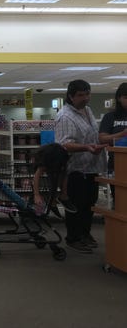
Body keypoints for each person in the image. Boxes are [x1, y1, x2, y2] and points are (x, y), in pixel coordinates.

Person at [55, 79, 107, 254]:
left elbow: (93, 134)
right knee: (77, 206)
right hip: (76, 170)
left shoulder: (88, 110)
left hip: (92, 167)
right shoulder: (65, 116)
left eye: (88, 94)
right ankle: (73, 237)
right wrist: (86, 147)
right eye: (81, 95)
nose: (85, 98)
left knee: (88, 205)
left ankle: (85, 234)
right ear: (71, 96)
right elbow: (64, 145)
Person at [99, 82, 127, 204]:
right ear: (119, 98)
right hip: (116, 164)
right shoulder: (110, 117)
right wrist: (122, 134)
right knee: (120, 199)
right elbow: (102, 139)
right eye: (126, 97)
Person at [32, 143, 77, 216]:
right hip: (48, 162)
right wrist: (36, 195)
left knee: (64, 174)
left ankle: (62, 197)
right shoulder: (45, 160)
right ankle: (54, 201)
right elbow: (37, 176)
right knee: (54, 181)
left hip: (58, 163)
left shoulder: (61, 156)